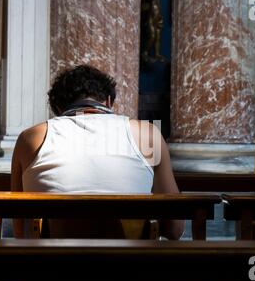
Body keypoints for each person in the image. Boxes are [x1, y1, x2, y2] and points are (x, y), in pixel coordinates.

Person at [11, 65, 183, 239]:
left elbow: (20, 230)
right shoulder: (148, 134)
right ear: (109, 101)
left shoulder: (31, 138)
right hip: (132, 261)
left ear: (57, 106)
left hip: (52, 262)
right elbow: (175, 227)